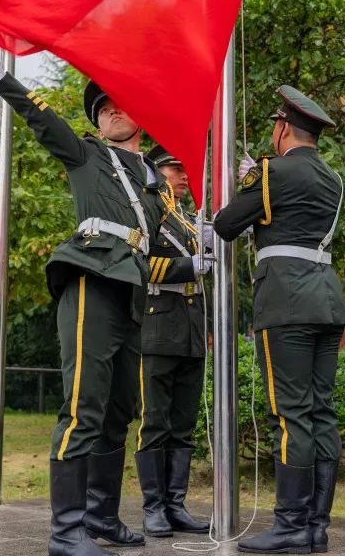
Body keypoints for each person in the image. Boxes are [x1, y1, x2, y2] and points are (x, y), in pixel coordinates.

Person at [0, 40, 165, 556]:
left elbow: (171, 243)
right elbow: (37, 114)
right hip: (93, 279)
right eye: (104, 109)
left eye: (120, 103)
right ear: (97, 125)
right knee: (83, 405)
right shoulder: (87, 155)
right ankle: (65, 531)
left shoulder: (155, 187)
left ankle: (101, 518)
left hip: (131, 292)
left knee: (120, 409)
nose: (112, 112)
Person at [214, 85, 345, 555]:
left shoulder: (273, 173)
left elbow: (227, 225)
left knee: (290, 413)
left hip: (287, 301)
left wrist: (253, 184)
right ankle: (316, 526)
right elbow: (295, 218)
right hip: (328, 299)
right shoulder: (334, 178)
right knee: (320, 412)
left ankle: (290, 525)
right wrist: (262, 188)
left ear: (283, 128)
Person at [136, 144, 212, 538]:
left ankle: (175, 504)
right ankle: (154, 507)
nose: (184, 176)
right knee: (156, 423)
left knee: (183, 424)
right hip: (158, 327)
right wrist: (189, 265)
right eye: (175, 169)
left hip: (191, 330)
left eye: (186, 169)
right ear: (158, 171)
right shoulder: (148, 210)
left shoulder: (186, 218)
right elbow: (140, 262)